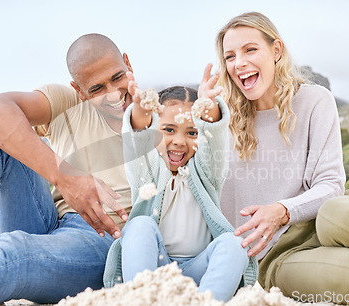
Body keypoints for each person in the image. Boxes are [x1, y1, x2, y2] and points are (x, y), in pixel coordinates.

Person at [216, 11, 349, 305]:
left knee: (337, 210)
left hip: (324, 224)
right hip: (277, 256)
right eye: (229, 56)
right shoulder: (217, 122)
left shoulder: (316, 101)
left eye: (250, 49)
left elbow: (330, 185)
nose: (239, 63)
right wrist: (206, 126)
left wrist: (283, 210)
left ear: (276, 51)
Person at [0, 34, 133, 305]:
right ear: (79, 90)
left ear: (127, 63)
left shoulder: (164, 116)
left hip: (103, 241)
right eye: (96, 89)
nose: (114, 94)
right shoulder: (68, 102)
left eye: (118, 77)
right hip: (48, 221)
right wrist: (66, 178)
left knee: (16, 253)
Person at [102, 67, 258, 302]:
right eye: (168, 130)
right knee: (139, 225)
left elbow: (214, 141)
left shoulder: (206, 172)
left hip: (199, 272)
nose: (179, 141)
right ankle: (142, 299)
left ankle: (208, 301)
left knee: (235, 243)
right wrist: (141, 112)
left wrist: (209, 108)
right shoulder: (149, 172)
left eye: (192, 132)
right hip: (154, 267)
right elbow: (138, 143)